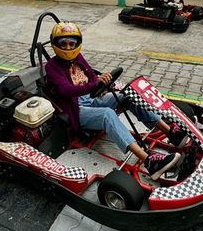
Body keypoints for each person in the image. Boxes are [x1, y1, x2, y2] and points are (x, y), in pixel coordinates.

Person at [45, 22, 189, 181]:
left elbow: (91, 75)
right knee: (107, 114)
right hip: (76, 109)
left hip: (93, 97)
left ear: (77, 43)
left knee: (128, 96)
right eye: (63, 43)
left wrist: (101, 80)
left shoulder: (78, 57)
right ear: (55, 44)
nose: (67, 47)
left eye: (71, 43)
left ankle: (170, 132)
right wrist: (94, 84)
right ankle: (149, 161)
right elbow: (65, 90)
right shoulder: (51, 67)